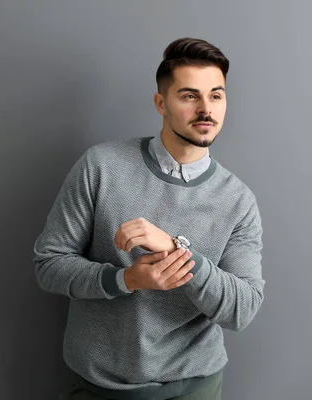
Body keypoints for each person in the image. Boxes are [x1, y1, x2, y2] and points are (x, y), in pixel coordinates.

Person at [33, 37, 265, 400]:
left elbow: (242, 310)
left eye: (216, 95)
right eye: (189, 95)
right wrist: (125, 278)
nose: (206, 108)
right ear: (161, 103)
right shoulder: (101, 167)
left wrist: (177, 249)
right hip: (101, 386)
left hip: (195, 385)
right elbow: (48, 265)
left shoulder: (238, 201)